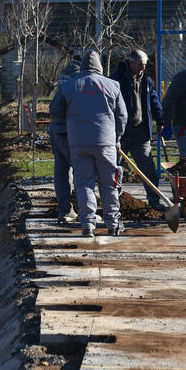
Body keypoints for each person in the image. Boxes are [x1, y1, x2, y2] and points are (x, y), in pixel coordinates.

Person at [57, 49, 128, 237]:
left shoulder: (70, 86)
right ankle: (113, 224)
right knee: (109, 184)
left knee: (84, 184)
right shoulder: (113, 85)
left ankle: (88, 225)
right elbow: (122, 116)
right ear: (100, 67)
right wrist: (116, 137)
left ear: (81, 67)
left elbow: (55, 109)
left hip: (78, 143)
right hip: (106, 143)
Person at [111, 49, 164, 210]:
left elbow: (153, 101)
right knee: (115, 169)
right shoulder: (116, 80)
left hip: (141, 132)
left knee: (148, 168)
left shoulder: (146, 81)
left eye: (145, 65)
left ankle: (154, 201)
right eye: (140, 65)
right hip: (121, 133)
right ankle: (113, 203)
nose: (143, 68)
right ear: (131, 62)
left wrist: (160, 120)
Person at [48, 61, 80, 225]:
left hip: (55, 131)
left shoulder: (61, 85)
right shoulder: (72, 86)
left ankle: (65, 210)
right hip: (67, 133)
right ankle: (82, 211)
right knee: (81, 171)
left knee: (61, 171)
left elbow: (53, 109)